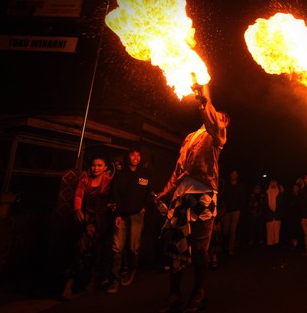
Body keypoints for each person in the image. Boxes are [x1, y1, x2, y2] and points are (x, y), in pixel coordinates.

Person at [154, 82, 229, 313]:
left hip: (204, 195)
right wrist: (165, 193)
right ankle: (175, 294)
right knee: (176, 246)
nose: (217, 117)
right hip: (181, 195)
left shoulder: (218, 133)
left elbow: (212, 119)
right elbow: (179, 168)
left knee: (199, 249)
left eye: (219, 116)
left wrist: (204, 98)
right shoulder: (189, 137)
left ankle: (199, 292)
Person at [61, 155, 113, 300]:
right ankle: (69, 284)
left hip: (102, 222)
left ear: (105, 168)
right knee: (80, 250)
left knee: (97, 251)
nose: (96, 168)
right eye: (94, 165)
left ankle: (91, 281)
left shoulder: (109, 182)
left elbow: (114, 198)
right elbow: (78, 195)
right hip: (86, 221)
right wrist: (77, 209)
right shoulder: (85, 180)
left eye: (99, 165)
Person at [106, 146, 154, 294]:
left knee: (134, 247)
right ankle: (114, 280)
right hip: (121, 215)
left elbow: (149, 192)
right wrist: (117, 215)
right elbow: (115, 195)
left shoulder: (145, 174)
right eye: (133, 155)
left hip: (137, 215)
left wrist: (145, 207)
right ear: (128, 157)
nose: (135, 158)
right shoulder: (120, 174)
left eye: (138, 155)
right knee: (116, 247)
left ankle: (130, 271)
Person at [218, 169, 247, 256]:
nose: (234, 175)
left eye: (235, 174)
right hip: (227, 211)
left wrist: (240, 209)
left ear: (237, 175)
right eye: (232, 173)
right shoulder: (226, 185)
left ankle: (231, 249)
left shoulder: (240, 186)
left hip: (236, 211)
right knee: (225, 230)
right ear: (230, 175)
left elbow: (243, 198)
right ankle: (226, 244)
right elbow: (222, 196)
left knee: (233, 230)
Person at [264, 178, 284, 247]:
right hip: (269, 215)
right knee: (269, 231)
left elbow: (281, 204)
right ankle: (270, 244)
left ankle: (276, 243)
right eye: (272, 183)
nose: (273, 184)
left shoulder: (279, 193)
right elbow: (265, 205)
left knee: (277, 231)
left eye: (274, 183)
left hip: (277, 215)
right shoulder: (266, 193)